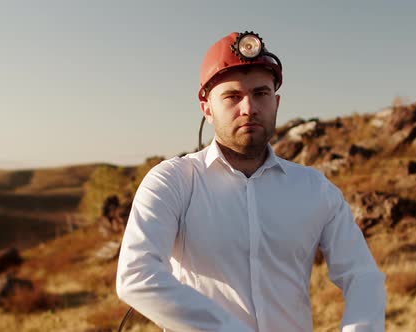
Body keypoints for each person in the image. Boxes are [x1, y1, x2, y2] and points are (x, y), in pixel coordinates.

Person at [116, 31, 386, 332]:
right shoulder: (173, 181)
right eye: (232, 96)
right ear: (206, 108)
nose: (249, 108)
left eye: (260, 94)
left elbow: (363, 276)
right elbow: (137, 276)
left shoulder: (313, 188)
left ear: (276, 102)